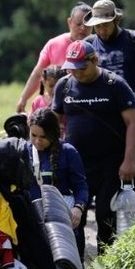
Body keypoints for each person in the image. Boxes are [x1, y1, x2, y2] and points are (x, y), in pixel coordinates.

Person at [51, 40, 135, 255]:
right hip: (76, 165)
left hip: (111, 163)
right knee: (73, 216)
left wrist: (129, 160)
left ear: (95, 60)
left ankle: (106, 268)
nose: (77, 74)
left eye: (82, 68)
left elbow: (133, 123)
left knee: (105, 216)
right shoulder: (64, 86)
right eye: (72, 69)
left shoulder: (115, 85)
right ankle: (76, 267)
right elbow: (54, 124)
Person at [84, 0, 135, 121]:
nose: (101, 31)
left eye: (105, 25)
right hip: (100, 109)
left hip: (133, 106)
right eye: (97, 26)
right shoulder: (88, 45)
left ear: (117, 21)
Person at [27, 107, 89, 257]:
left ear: (53, 134)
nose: (37, 141)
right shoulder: (25, 151)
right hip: (35, 218)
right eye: (33, 135)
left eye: (43, 137)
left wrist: (78, 209)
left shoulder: (68, 152)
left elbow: (81, 186)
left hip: (63, 215)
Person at [15, 2, 92, 113]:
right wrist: (23, 99)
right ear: (69, 22)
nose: (83, 28)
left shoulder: (97, 46)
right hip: (57, 106)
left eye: (87, 24)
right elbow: (38, 74)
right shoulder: (54, 44)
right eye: (78, 24)